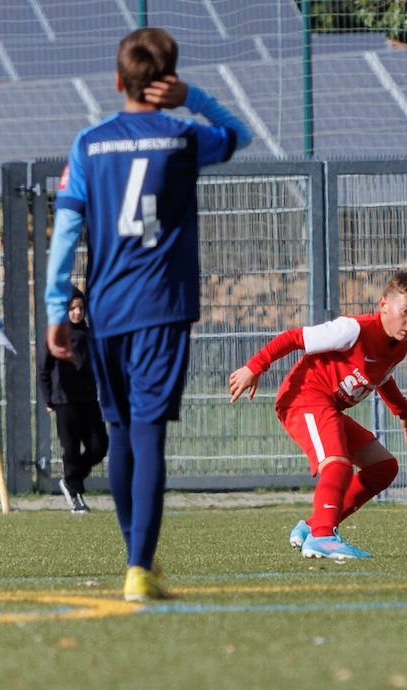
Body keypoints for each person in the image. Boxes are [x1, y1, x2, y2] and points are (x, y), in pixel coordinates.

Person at [44, 28, 253, 601]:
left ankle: (137, 559)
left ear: (118, 81)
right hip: (162, 307)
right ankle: (140, 566)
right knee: (148, 432)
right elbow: (240, 135)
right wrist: (193, 98)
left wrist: (57, 306)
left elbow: (65, 231)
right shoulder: (183, 137)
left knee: (119, 431)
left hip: (107, 308)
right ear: (167, 80)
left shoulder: (89, 143)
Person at [228, 273, 407, 560]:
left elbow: (382, 379)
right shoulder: (353, 329)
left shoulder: (398, 348)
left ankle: (314, 526)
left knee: (383, 467)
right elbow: (294, 338)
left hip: (328, 408)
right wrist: (255, 367)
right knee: (337, 464)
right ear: (384, 305)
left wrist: (405, 412)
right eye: (406, 311)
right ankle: (323, 537)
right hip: (304, 398)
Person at [36, 288, 108, 513]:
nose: (77, 312)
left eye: (81, 308)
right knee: (71, 449)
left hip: (89, 399)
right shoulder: (57, 335)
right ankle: (76, 498)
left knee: (99, 446)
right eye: (72, 308)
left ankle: (70, 481)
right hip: (65, 401)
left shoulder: (90, 335)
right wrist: (49, 398)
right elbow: (43, 369)